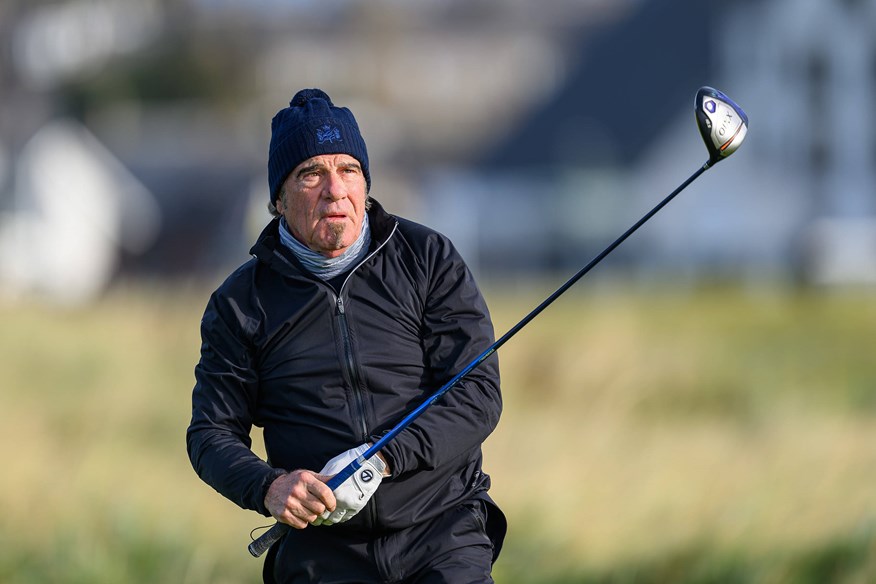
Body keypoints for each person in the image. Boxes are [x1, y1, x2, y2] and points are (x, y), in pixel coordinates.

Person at [187, 88, 506, 583]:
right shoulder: (239, 303)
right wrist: (270, 487)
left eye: (349, 170)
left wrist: (380, 460)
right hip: (322, 550)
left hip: (442, 531)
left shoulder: (427, 258)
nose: (335, 190)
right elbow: (210, 436)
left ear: (365, 184)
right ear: (279, 198)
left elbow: (478, 394)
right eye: (311, 173)